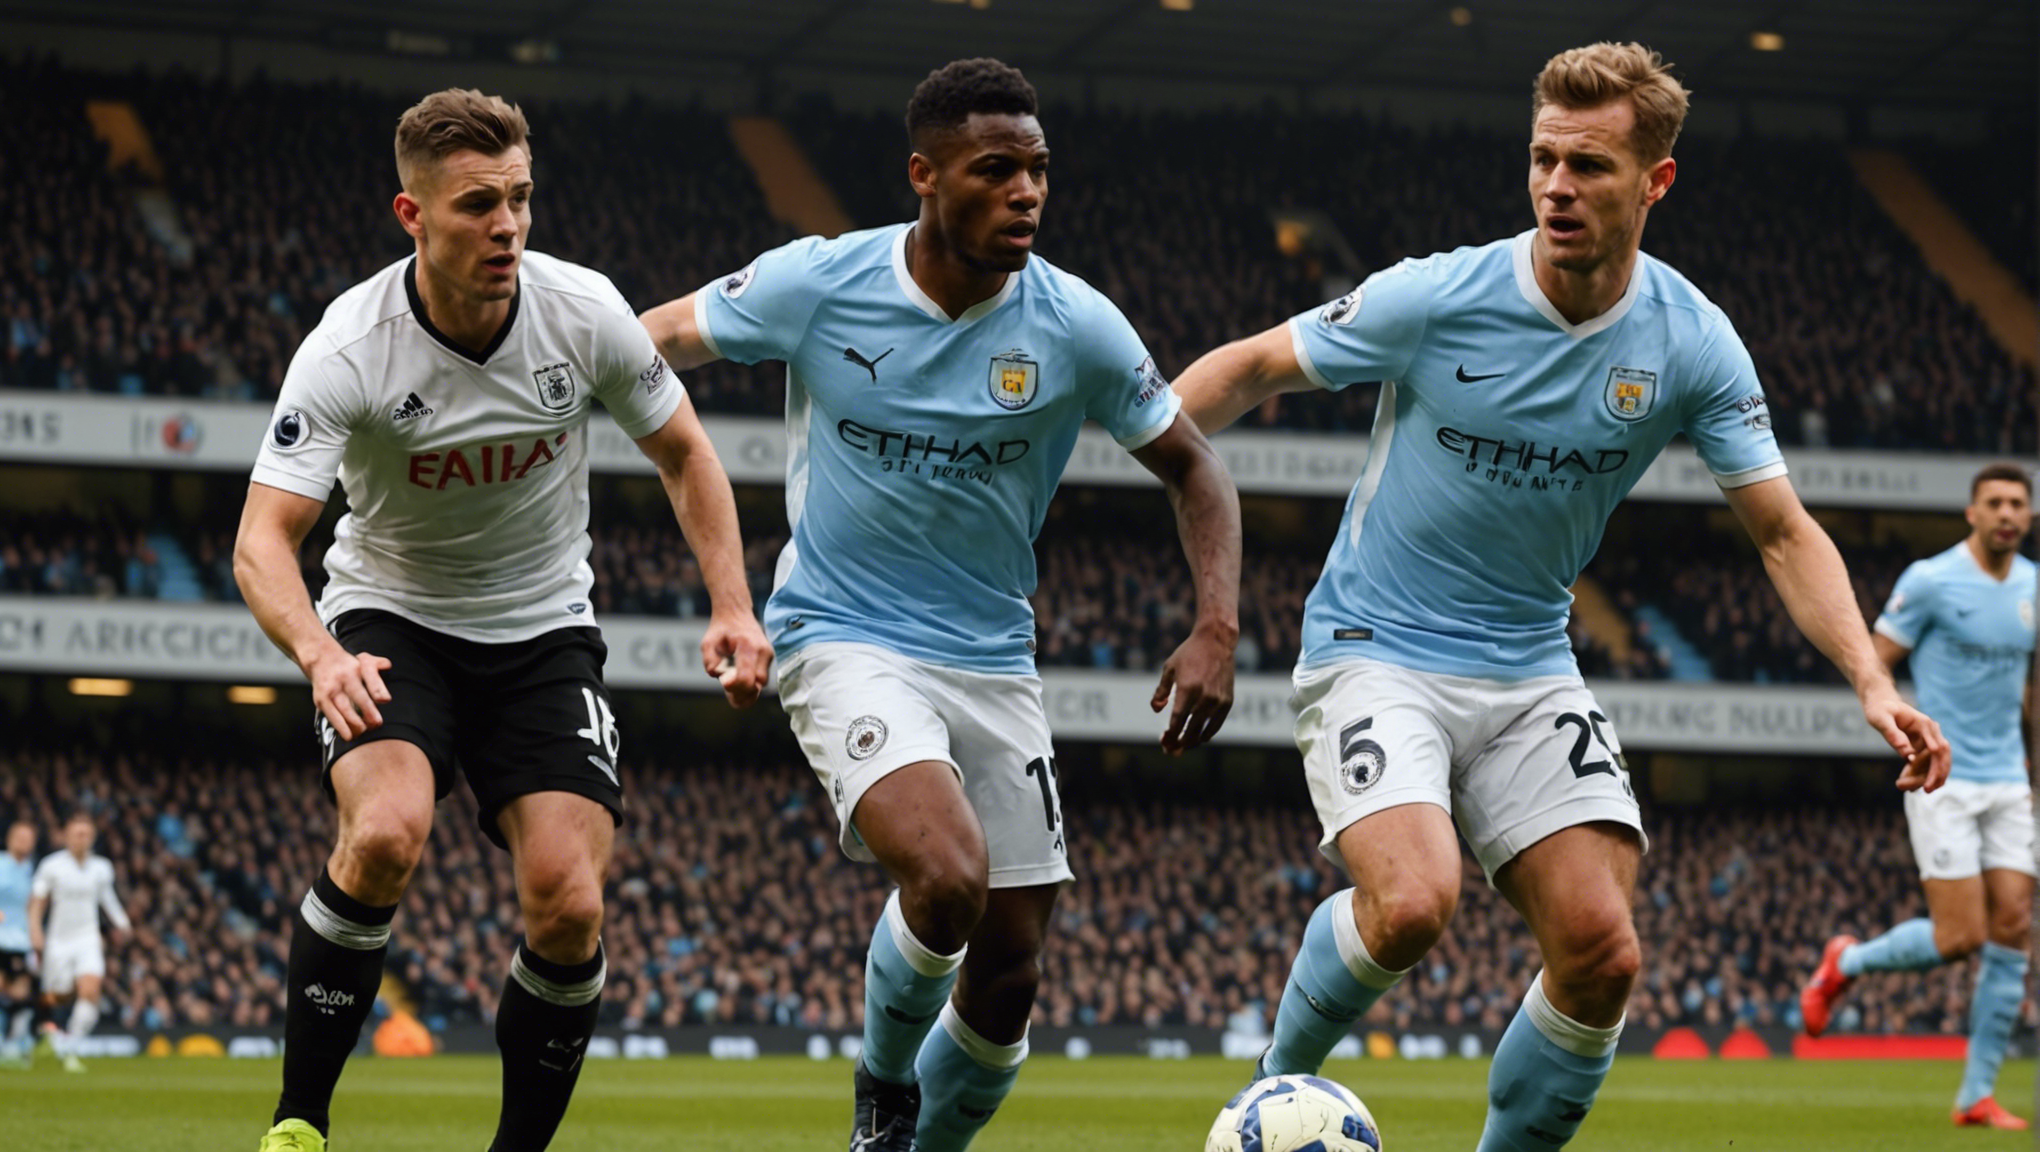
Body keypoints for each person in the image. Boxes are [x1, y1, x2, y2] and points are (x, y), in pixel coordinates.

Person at [1170, 41, 1949, 1151]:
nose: (1556, 187)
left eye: (1588, 166)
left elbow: (1782, 529)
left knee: (1603, 950)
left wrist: (1869, 678)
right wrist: (1153, 453)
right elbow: (1251, 366)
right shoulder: (1440, 295)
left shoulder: (1692, 343)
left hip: (1532, 663)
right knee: (1413, 903)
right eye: (1543, 160)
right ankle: (1276, 1077)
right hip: (1376, 645)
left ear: (1655, 182)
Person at [640, 57, 1240, 1152]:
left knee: (1011, 967)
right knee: (949, 875)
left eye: (1040, 171)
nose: (1027, 193)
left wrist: (1217, 626)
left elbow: (1196, 467)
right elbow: (650, 345)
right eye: (996, 169)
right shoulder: (819, 283)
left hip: (995, 657)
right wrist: (523, 378)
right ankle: (883, 1086)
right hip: (842, 634)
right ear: (924, 174)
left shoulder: (1077, 325)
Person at [234, 88, 770, 1152]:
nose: (508, 225)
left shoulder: (585, 312)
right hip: (391, 614)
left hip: (541, 630)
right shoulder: (350, 347)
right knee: (385, 832)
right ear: (412, 215)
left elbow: (686, 455)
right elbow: (262, 539)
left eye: (520, 199)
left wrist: (732, 604)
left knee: (569, 903)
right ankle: (299, 1125)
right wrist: (316, 651)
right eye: (479, 204)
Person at [1801, 463, 2035, 1130]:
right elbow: (1874, 662)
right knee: (1961, 937)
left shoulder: (2034, 588)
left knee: (2014, 924)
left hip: (2009, 780)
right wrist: (1908, 735)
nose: (2007, 513)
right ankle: (1846, 961)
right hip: (1945, 775)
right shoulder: (1930, 581)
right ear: (1972, 512)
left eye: (2018, 503)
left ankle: (1977, 1097)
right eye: (1994, 502)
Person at [27, 812, 130, 1073]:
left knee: (91, 990)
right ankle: (49, 1041)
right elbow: (38, 902)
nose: (81, 839)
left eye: (86, 834)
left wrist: (123, 923)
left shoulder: (102, 867)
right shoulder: (51, 865)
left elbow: (108, 899)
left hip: (88, 938)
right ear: (65, 836)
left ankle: (70, 1047)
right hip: (58, 942)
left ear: (93, 837)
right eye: (76, 833)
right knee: (57, 998)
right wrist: (36, 931)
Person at [0, 821, 37, 1067]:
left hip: (22, 941)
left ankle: (14, 1041)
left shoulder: (31, 869)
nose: (24, 842)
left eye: (29, 838)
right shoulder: (1, 864)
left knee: (21, 993)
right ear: (10, 839)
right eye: (20, 837)